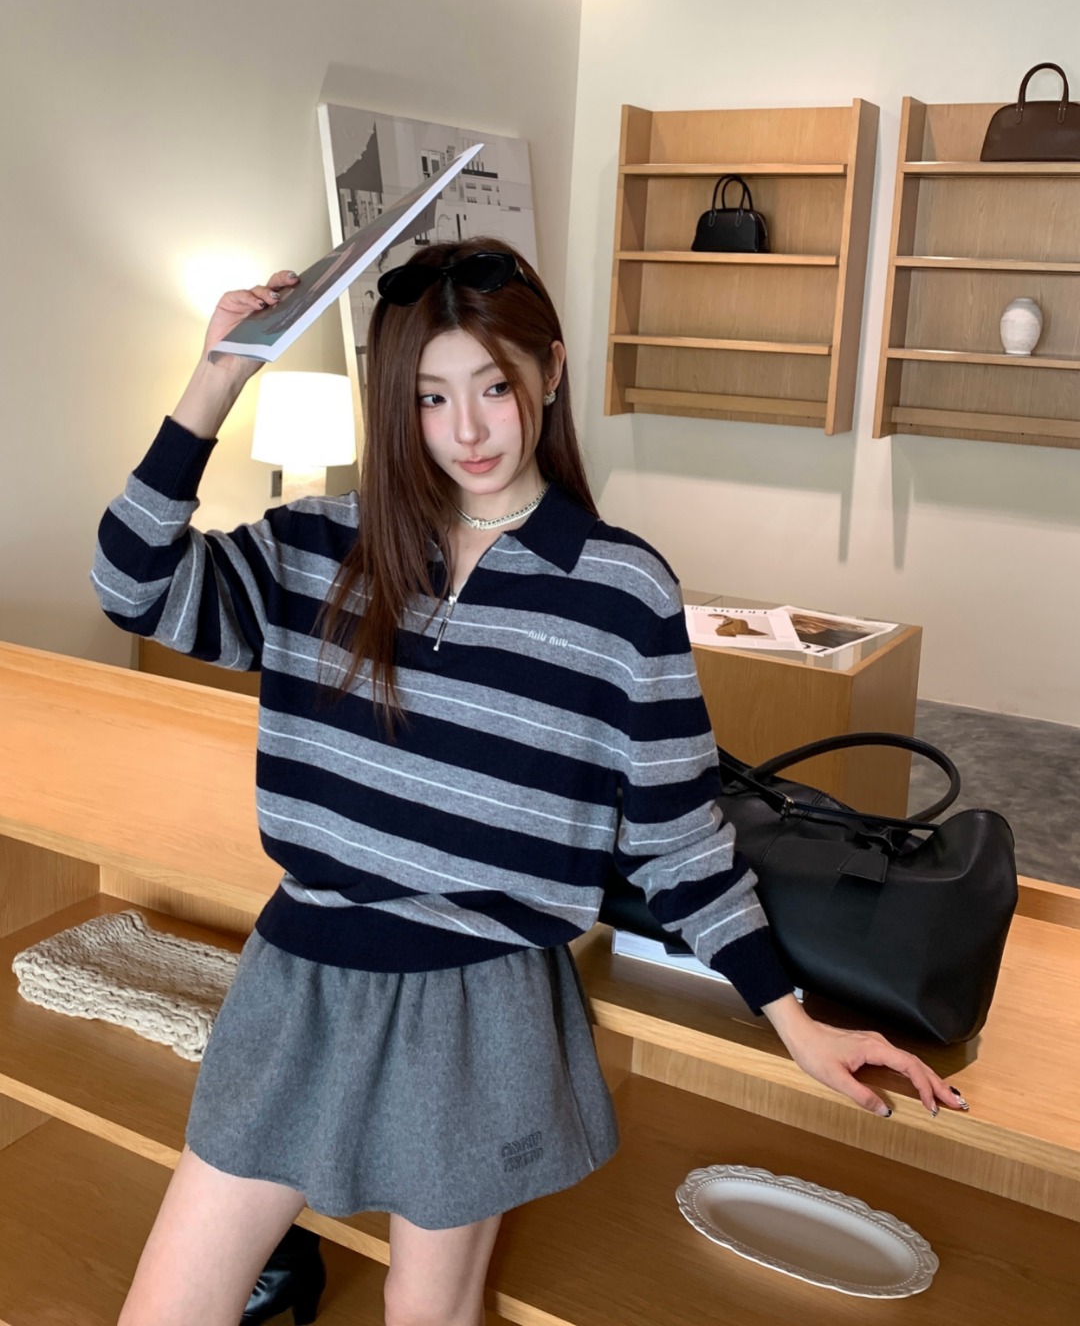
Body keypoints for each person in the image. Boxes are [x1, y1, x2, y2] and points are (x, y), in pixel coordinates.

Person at [92, 237, 966, 1326]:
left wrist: (791, 1017)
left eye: (493, 387)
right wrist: (218, 377)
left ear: (548, 372)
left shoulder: (620, 592)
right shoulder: (317, 548)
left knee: (431, 1309)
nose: (466, 430)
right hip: (301, 979)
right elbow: (132, 585)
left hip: (482, 1004)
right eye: (429, 397)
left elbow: (677, 840)